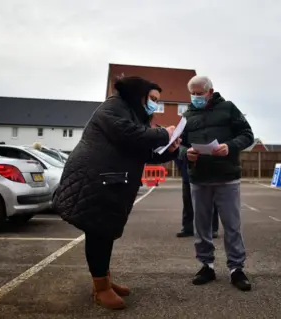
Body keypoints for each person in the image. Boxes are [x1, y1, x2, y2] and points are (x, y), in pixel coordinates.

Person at [53, 76, 180, 310]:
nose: (154, 105)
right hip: (94, 179)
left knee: (105, 230)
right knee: (98, 231)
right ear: (138, 94)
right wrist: (165, 134)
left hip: (110, 180)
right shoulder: (113, 107)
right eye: (152, 99)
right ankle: (101, 288)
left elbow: (143, 151)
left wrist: (170, 150)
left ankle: (104, 280)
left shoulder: (133, 114)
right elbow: (128, 134)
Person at [180, 75, 254, 291]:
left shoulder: (229, 109)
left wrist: (230, 146)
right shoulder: (187, 115)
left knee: (232, 225)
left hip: (226, 177)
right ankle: (206, 265)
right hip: (199, 178)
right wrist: (187, 153)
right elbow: (179, 145)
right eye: (192, 94)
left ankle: (236, 269)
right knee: (201, 226)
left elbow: (248, 135)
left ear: (210, 92)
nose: (195, 98)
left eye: (199, 94)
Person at [174, 156, 219, 238]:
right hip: (188, 172)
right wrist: (182, 166)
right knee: (187, 200)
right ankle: (188, 228)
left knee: (210, 200)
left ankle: (212, 228)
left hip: (208, 171)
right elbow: (178, 152)